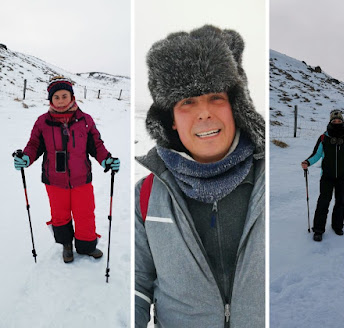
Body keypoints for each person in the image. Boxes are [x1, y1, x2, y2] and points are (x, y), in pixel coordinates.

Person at [135, 25, 265, 327]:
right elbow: (138, 286)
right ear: (172, 122)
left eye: (216, 97)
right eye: (187, 102)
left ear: (237, 108)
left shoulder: (270, 184)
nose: (204, 113)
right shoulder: (146, 196)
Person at [13, 76, 120, 263]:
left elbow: (96, 145)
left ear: (72, 97)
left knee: (85, 213)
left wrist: (107, 160)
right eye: (57, 97)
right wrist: (26, 158)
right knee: (60, 215)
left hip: (81, 179)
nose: (61, 100)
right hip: (54, 180)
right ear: (50, 100)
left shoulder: (85, 120)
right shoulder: (42, 122)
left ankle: (87, 247)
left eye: (65, 95)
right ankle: (66, 245)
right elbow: (34, 145)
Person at [301, 110, 344, 242]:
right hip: (327, 176)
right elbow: (317, 154)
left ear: (343, 122)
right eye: (334, 121)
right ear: (330, 122)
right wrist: (307, 162)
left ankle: (337, 226)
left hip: (343, 177)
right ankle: (318, 230)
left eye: (339, 121)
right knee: (323, 202)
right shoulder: (323, 138)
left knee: (340, 202)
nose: (337, 122)